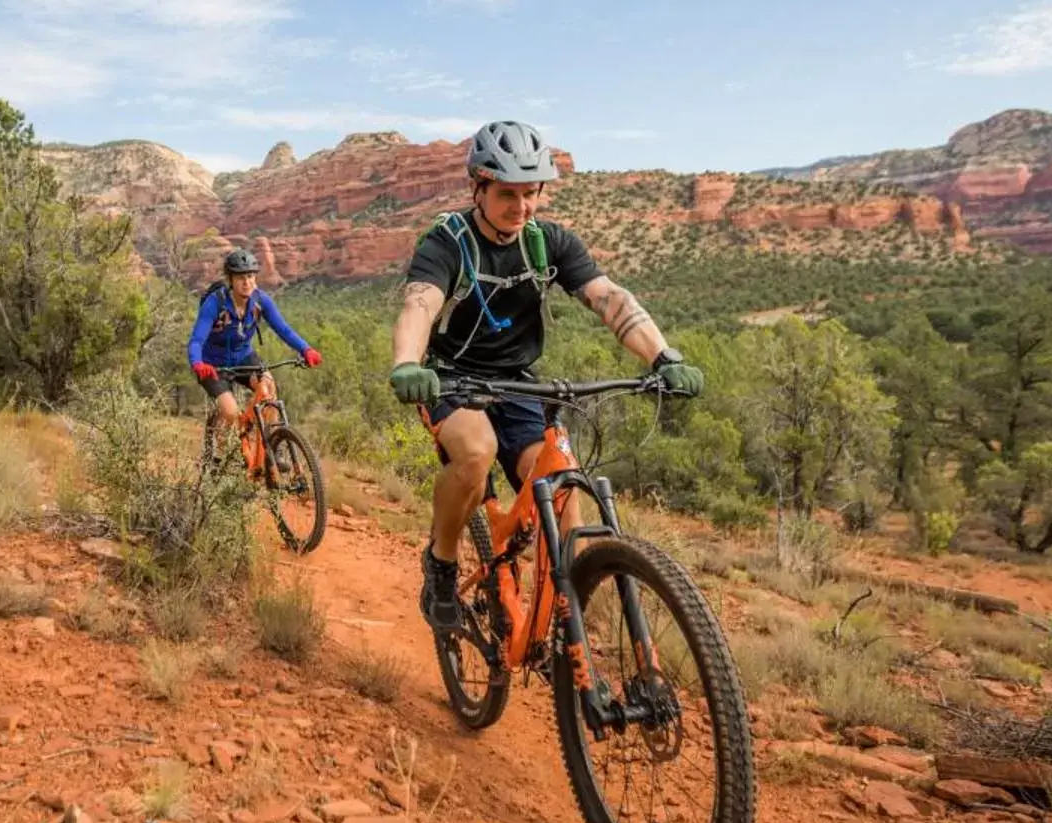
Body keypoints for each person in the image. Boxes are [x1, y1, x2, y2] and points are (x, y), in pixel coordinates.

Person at [389, 120, 705, 633]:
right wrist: (407, 364)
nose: (520, 207)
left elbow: (609, 298)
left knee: (560, 489)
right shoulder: (448, 243)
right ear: (479, 187)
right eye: (507, 194)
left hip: (517, 379)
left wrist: (663, 356)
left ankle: (562, 615)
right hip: (450, 377)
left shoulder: (548, 243)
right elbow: (420, 305)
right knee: (475, 453)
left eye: (530, 193)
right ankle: (442, 565)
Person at [189, 247, 321, 445]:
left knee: (269, 388)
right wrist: (198, 363)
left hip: (244, 357)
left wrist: (306, 349)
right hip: (213, 366)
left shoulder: (260, 301)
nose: (246, 282)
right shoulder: (215, 303)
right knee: (231, 413)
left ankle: (272, 447)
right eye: (240, 277)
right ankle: (216, 464)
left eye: (251, 276)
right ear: (230, 280)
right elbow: (196, 340)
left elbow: (283, 329)